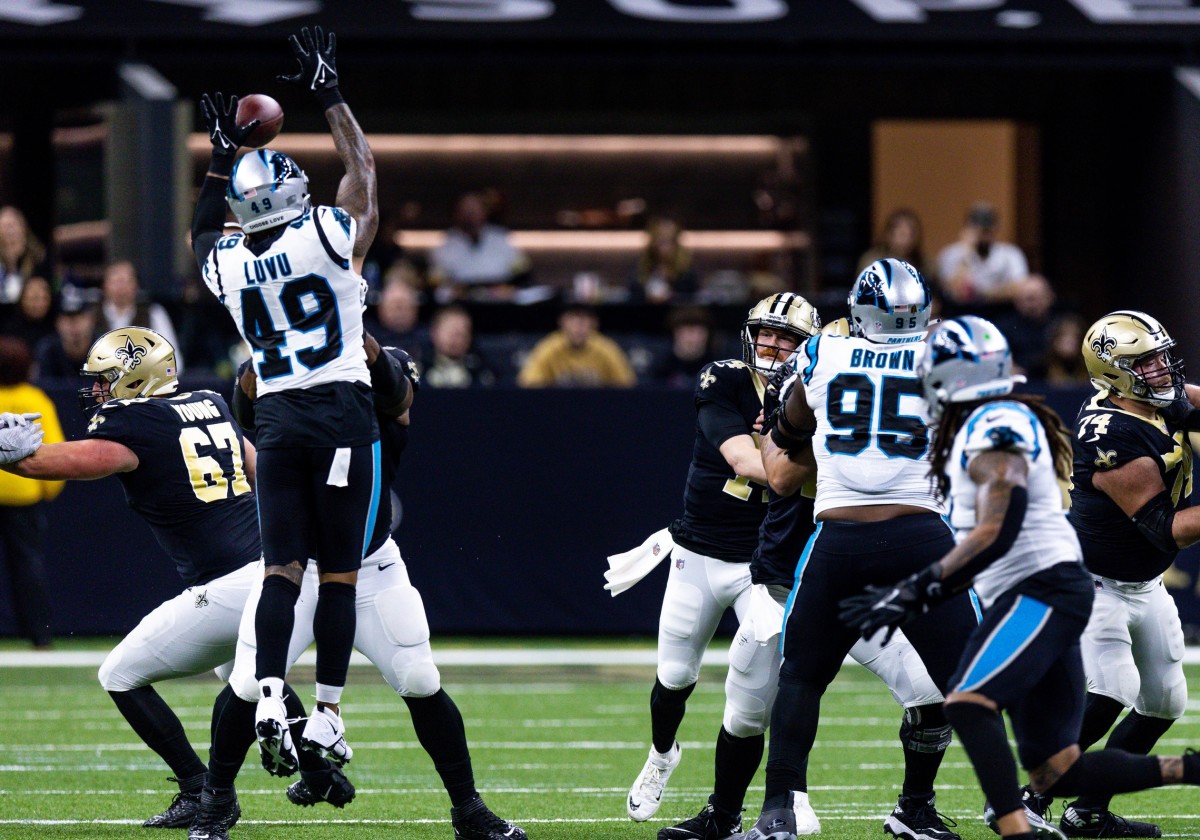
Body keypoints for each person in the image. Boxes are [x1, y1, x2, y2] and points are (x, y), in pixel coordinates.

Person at [0, 326, 395, 837]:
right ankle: (319, 770)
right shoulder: (210, 401)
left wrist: (21, 455)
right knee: (246, 672)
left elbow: (82, 462)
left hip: (228, 583)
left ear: (135, 377)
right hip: (276, 571)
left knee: (119, 674)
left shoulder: (133, 423)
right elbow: (261, 469)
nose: (96, 391)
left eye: (105, 380)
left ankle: (198, 789)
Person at [839, 315, 1200, 840]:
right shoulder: (1050, 424)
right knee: (1058, 757)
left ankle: (1022, 817)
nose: (1162, 370)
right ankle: (1162, 777)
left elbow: (999, 526)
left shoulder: (995, 426)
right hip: (1072, 584)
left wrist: (921, 587)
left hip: (1051, 588)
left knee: (980, 701)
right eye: (1147, 361)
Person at [654, 318, 957, 840]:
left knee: (930, 694)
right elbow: (780, 474)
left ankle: (915, 810)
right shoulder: (802, 396)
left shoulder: (891, 401)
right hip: (788, 581)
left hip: (859, 582)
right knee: (748, 713)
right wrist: (830, 430)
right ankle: (723, 814)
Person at [194, 25, 396, 776]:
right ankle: (329, 714)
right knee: (338, 574)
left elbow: (196, 237)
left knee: (281, 570)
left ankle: (273, 693)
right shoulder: (329, 234)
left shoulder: (226, 265)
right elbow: (364, 170)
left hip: (276, 420)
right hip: (342, 412)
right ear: (293, 195)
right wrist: (329, 92)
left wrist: (220, 158)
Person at [216, 352, 527, 840]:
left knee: (420, 679)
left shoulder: (375, 412)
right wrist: (265, 352)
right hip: (296, 569)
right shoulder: (309, 405)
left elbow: (394, 394)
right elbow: (247, 410)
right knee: (247, 683)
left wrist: (348, 333)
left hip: (372, 567)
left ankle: (468, 808)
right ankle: (215, 803)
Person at [739, 259, 978, 840]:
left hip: (839, 538)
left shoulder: (823, 352)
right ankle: (1018, 804)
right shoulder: (948, 353)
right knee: (974, 682)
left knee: (802, 677)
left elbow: (791, 435)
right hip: (921, 536)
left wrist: (792, 431)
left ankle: (777, 811)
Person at [614, 293, 818, 831]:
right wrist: (793, 444)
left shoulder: (817, 390)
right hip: (700, 551)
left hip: (765, 565)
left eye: (788, 337)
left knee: (753, 698)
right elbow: (744, 460)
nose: (774, 345)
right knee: (674, 675)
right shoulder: (722, 378)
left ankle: (774, 798)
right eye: (767, 333)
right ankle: (662, 755)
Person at [1048, 310, 1200, 838]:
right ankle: (1026, 799)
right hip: (1095, 583)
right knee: (1112, 689)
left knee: (1164, 701)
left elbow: (1191, 402)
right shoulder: (1112, 434)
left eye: (1162, 357)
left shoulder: (1147, 398)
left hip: (1143, 583)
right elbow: (1167, 529)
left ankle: (1087, 811)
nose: (1163, 369)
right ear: (1115, 373)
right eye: (1147, 362)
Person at [0, 337, 63, 648]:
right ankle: (39, 635)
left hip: (18, 497)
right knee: (28, 567)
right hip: (24, 496)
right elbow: (53, 447)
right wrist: (48, 490)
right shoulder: (35, 398)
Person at [430, 190, 530, 302]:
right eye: (466, 208)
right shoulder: (444, 246)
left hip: (500, 303)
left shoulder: (501, 239)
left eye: (475, 207)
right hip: (461, 304)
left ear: (485, 211)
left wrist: (510, 290)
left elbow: (522, 275)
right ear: (456, 213)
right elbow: (437, 286)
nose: (470, 213)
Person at [517, 303, 636, 388]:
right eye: (573, 320)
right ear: (562, 323)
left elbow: (626, 384)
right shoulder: (548, 348)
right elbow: (528, 383)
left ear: (594, 324)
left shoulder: (606, 348)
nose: (578, 327)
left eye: (584, 321)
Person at [935, 202, 1028, 308]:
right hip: (963, 310)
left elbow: (1019, 289)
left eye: (988, 229)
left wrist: (982, 294)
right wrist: (967, 252)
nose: (984, 234)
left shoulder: (1010, 253)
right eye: (979, 230)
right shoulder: (950, 254)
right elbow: (956, 293)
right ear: (968, 228)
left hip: (1000, 311)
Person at [96, 259, 182, 365]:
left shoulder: (153, 314)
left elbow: (173, 361)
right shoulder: (91, 317)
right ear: (104, 285)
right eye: (116, 281)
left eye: (126, 281)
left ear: (136, 285)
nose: (121, 287)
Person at [423, 305, 496, 388]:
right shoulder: (417, 369)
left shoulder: (482, 371)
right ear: (434, 333)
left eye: (463, 333)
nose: (458, 339)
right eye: (452, 332)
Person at [33, 286, 96, 381]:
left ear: (91, 320)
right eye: (68, 319)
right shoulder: (47, 351)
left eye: (80, 318)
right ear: (57, 323)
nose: (74, 326)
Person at [631, 217, 699, 304]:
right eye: (661, 241)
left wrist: (671, 296)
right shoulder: (642, 267)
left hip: (677, 315)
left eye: (669, 241)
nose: (664, 247)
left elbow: (692, 299)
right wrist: (647, 295)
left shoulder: (686, 271)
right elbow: (632, 295)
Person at [649, 306, 715, 389]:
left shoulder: (718, 368)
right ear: (675, 333)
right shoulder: (660, 367)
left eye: (700, 332)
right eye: (688, 332)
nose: (694, 339)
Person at [857, 208, 929, 278]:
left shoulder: (925, 264)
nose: (905, 240)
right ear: (888, 234)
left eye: (910, 234)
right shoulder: (872, 261)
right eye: (901, 234)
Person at [0, 205, 49, 304]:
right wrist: (10, 263)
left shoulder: (38, 257)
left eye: (13, 225)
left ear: (23, 227)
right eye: (5, 226)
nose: (10, 231)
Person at [2, 276, 56, 351]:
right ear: (22, 299)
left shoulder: (57, 329)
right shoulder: (9, 332)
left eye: (44, 298)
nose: (39, 304)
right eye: (34, 298)